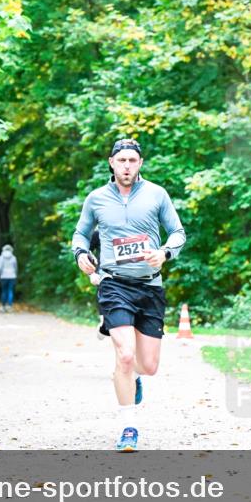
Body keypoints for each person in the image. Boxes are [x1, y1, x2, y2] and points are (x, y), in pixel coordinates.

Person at [71, 138, 186, 452]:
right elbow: (80, 233)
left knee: (147, 366)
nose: (126, 166)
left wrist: (164, 253)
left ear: (140, 163)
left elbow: (178, 232)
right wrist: (81, 253)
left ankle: (134, 376)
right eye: (121, 160)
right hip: (114, 283)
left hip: (149, 285)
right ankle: (128, 428)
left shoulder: (156, 194)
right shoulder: (96, 198)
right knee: (123, 354)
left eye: (132, 161)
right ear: (111, 162)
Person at [0, 244, 18, 312]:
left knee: (4, 290)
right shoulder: (14, 257)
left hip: (3, 276)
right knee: (10, 291)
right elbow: (15, 267)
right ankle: (9, 306)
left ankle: (3, 306)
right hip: (12, 276)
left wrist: (0, 274)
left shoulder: (1, 257)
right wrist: (15, 274)